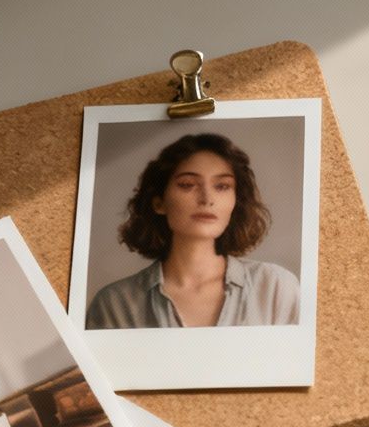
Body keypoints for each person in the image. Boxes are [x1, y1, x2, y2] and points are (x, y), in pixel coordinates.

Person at [86, 132, 301, 329]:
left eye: (222, 186)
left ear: (235, 202)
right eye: (188, 185)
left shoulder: (275, 287)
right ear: (159, 202)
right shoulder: (114, 304)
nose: (207, 199)